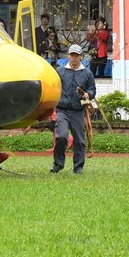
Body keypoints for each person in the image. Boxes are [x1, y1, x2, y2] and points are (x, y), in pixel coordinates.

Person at [52, 44, 97, 174]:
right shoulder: (60, 71)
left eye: (77, 55)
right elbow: (54, 87)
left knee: (80, 141)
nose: (74, 58)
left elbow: (92, 90)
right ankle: (58, 164)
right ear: (68, 56)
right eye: (72, 55)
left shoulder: (87, 73)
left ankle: (78, 168)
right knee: (61, 136)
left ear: (81, 57)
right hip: (62, 110)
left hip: (78, 111)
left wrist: (89, 94)